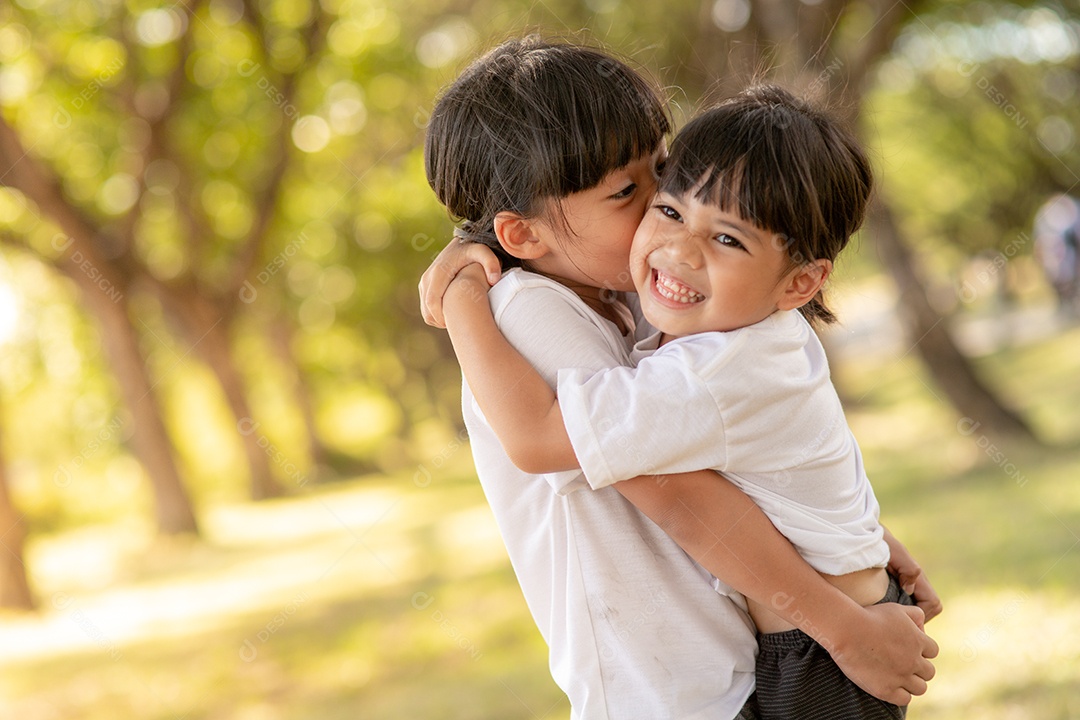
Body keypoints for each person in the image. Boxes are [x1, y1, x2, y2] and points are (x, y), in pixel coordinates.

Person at [421, 36, 938, 719]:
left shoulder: (644, 299)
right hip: (666, 695)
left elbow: (744, 454)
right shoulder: (526, 312)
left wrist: (856, 537)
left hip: (745, 665)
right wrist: (461, 290)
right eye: (632, 193)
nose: (664, 214)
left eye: (660, 171)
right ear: (522, 236)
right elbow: (666, 487)